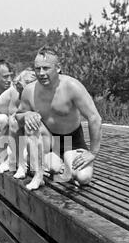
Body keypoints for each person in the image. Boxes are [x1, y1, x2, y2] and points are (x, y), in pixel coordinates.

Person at [15, 46, 102, 190]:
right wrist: (26, 114)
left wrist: (92, 152)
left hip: (72, 140)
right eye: (37, 69)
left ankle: (58, 163)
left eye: (46, 68)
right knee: (31, 123)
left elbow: (94, 118)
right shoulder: (29, 90)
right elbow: (18, 116)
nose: (41, 73)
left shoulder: (72, 86)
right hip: (48, 141)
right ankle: (39, 175)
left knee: (83, 178)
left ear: (58, 68)